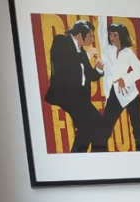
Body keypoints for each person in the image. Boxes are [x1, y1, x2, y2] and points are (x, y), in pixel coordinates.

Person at [44, 20, 107, 153]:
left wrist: (99, 69)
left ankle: (83, 156)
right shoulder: (61, 41)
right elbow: (64, 66)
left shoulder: (81, 51)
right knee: (94, 125)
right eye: (90, 35)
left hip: (80, 99)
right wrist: (87, 55)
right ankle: (87, 156)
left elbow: (89, 75)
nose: (92, 39)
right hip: (65, 96)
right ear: (80, 33)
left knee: (94, 127)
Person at [99, 20, 140, 151]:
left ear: (121, 35)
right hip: (115, 94)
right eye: (110, 34)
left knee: (138, 131)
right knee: (105, 129)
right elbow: (101, 32)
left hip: (131, 94)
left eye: (115, 35)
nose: (111, 37)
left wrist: (125, 79)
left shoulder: (128, 53)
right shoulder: (108, 50)